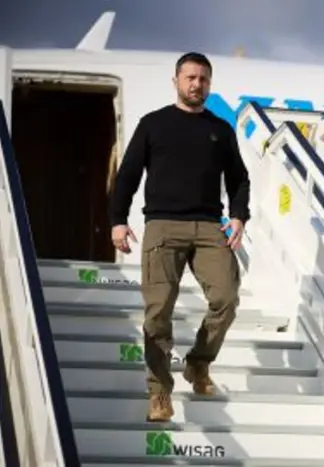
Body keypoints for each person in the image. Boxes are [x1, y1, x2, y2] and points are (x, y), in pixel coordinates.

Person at [108, 52, 250, 422]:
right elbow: (128, 175)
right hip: (162, 226)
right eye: (190, 77)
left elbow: (239, 178)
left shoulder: (221, 130)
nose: (196, 84)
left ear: (209, 84)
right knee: (158, 312)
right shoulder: (153, 124)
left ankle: (198, 362)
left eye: (203, 78)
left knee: (226, 298)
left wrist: (238, 215)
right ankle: (159, 391)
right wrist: (118, 220)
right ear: (176, 81)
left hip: (209, 227)